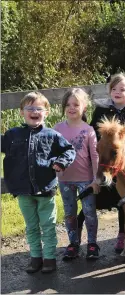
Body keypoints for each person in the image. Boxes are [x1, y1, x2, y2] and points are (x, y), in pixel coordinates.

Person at [1, 92, 76, 274]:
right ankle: (35, 257)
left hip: (46, 190)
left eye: (39, 108)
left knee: (48, 226)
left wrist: (61, 162)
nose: (34, 111)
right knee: (31, 226)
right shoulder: (12, 135)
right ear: (21, 112)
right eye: (30, 108)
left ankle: (49, 258)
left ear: (47, 113)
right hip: (23, 191)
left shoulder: (52, 135)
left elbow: (69, 150)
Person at [77, 73, 125, 253]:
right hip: (105, 161)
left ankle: (122, 234)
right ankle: (79, 232)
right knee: (98, 195)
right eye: (114, 89)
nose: (117, 92)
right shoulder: (102, 111)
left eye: (122, 89)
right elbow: (93, 133)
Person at [54, 88, 100, 260]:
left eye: (76, 104)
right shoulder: (57, 129)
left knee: (89, 212)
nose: (71, 108)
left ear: (84, 108)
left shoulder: (88, 130)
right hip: (65, 180)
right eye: (68, 104)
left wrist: (96, 179)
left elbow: (95, 156)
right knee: (69, 213)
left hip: (86, 180)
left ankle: (92, 243)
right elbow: (52, 153)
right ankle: (73, 243)